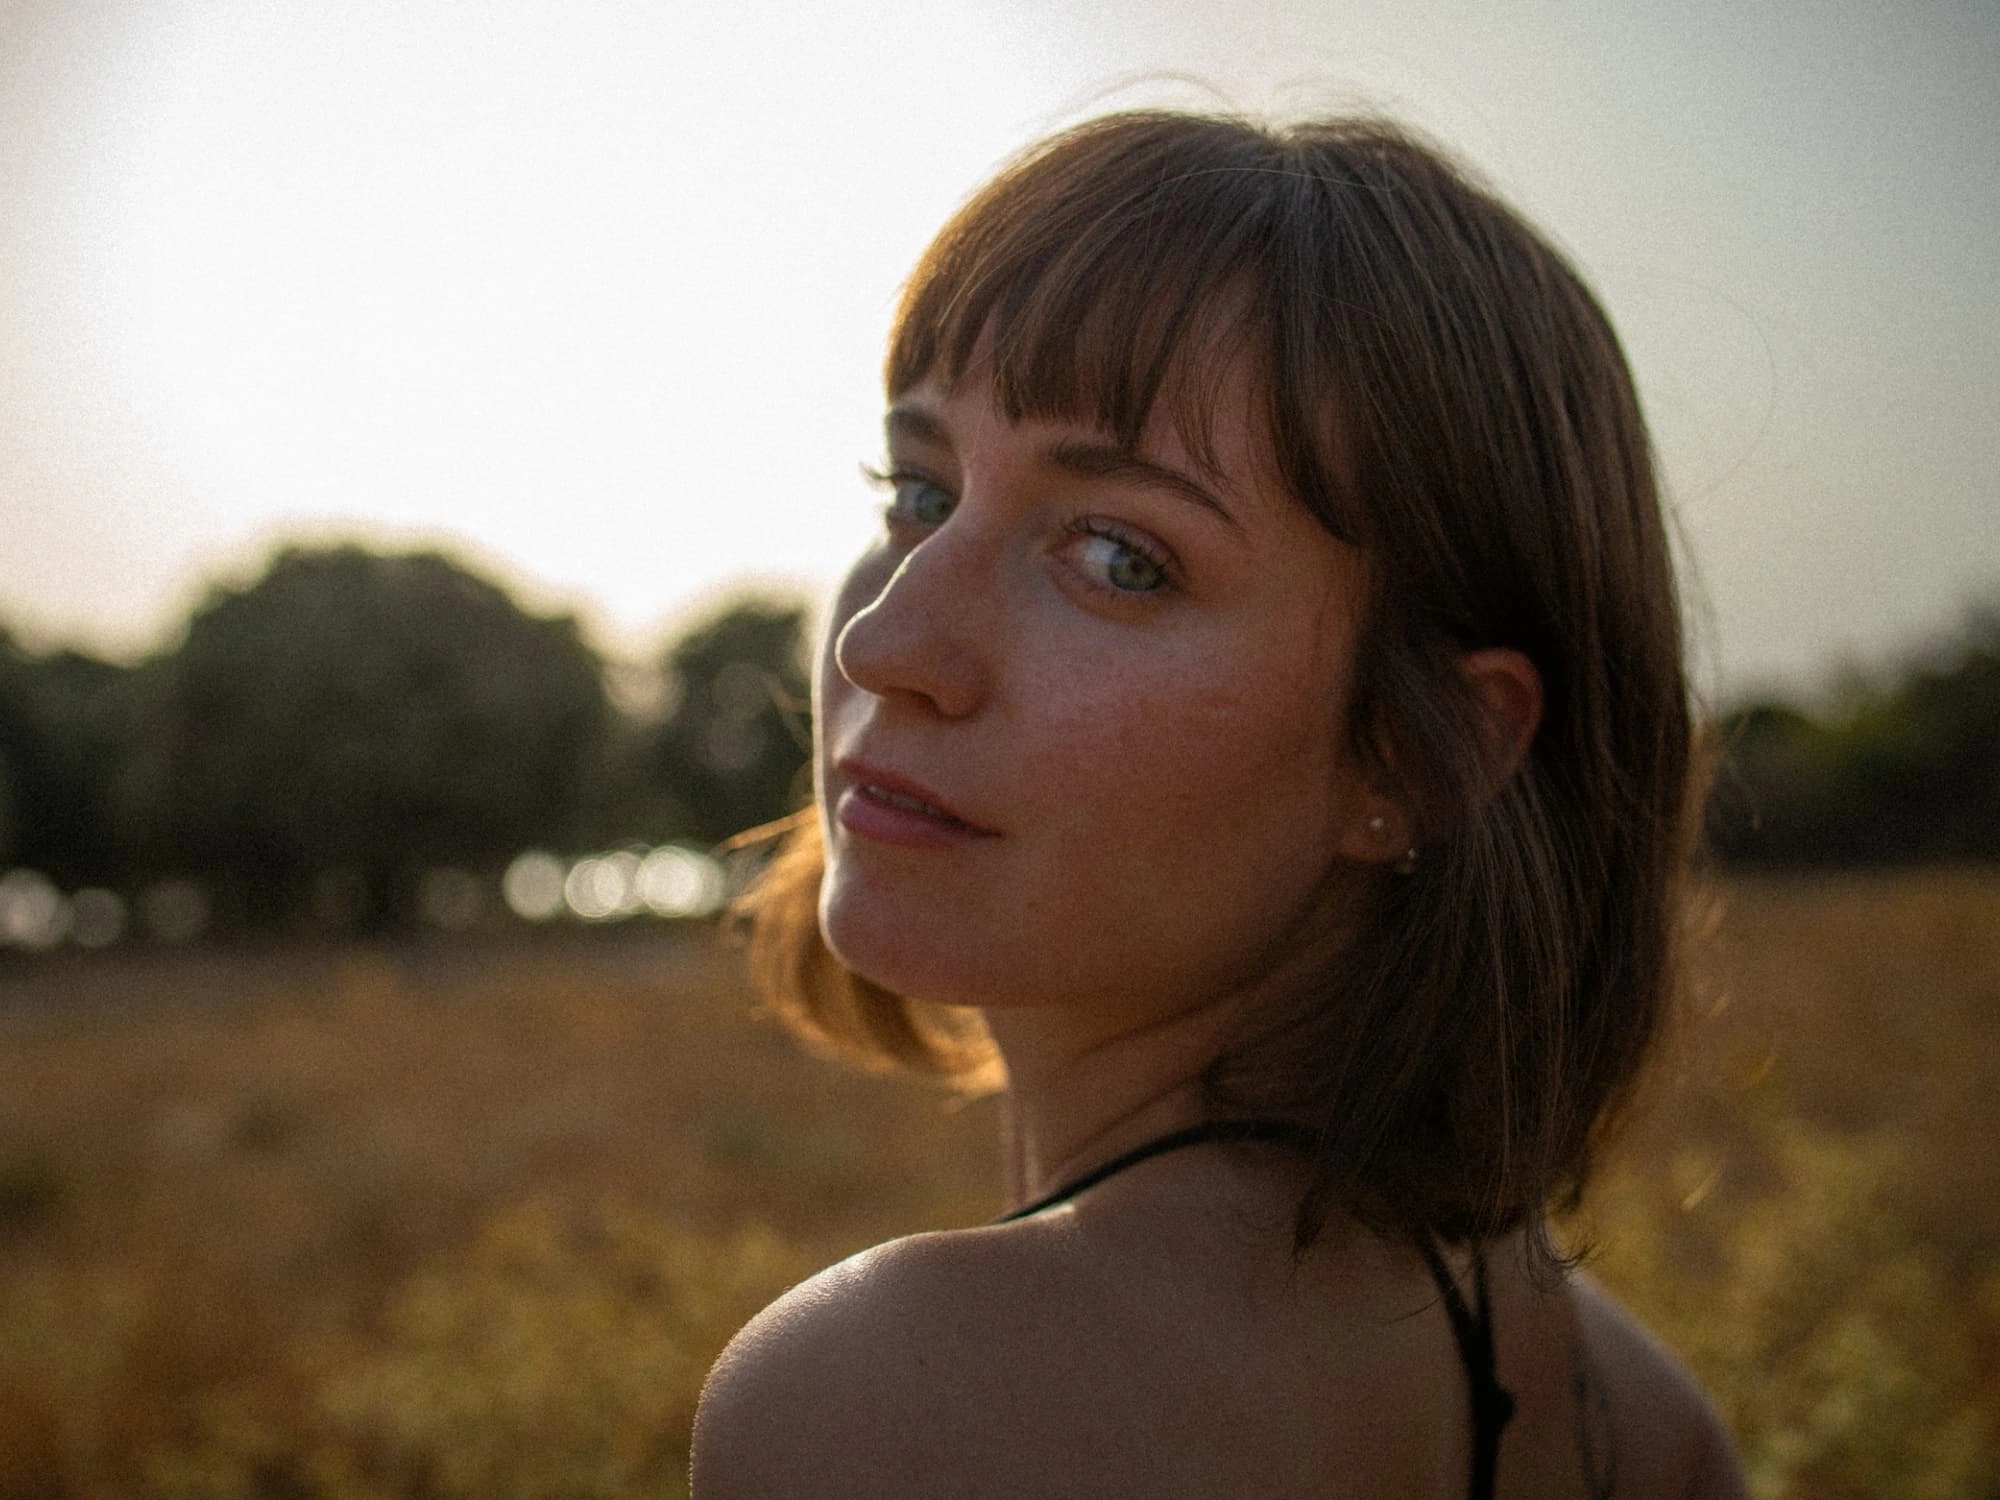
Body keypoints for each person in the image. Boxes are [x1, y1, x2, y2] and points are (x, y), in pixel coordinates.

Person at [691, 109, 1747, 1499]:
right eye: (918, 490)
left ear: (1413, 757)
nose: (882, 644)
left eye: (1122, 558)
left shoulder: (895, 1405)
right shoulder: (1634, 1414)